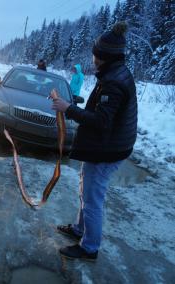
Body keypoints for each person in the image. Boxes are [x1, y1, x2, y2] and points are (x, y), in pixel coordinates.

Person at [51, 22, 137, 261]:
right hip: (108, 145)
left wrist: (68, 108)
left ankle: (89, 248)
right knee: (86, 189)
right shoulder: (114, 72)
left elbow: (101, 121)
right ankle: (79, 229)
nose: (93, 58)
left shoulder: (114, 81)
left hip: (109, 149)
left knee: (92, 198)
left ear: (104, 56)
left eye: (95, 54)